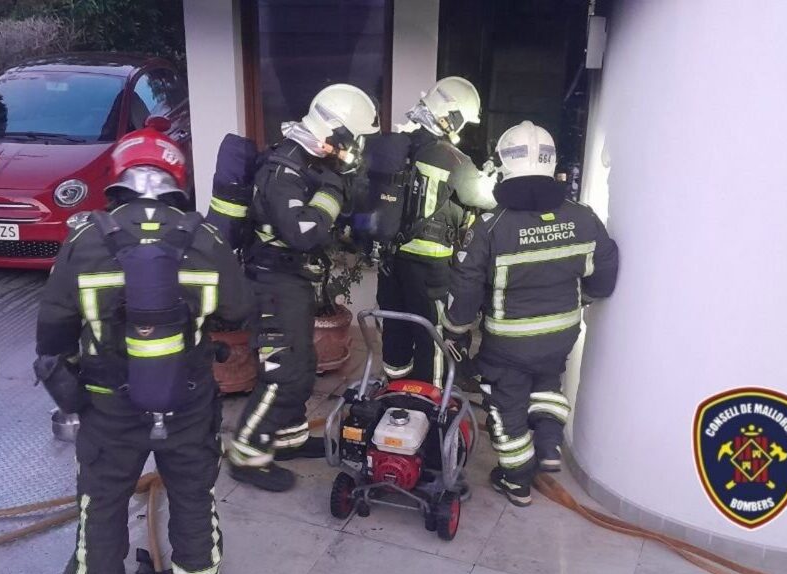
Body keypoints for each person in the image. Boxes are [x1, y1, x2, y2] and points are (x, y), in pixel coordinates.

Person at [36, 125, 252, 574]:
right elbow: (238, 310)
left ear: (119, 178)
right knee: (193, 497)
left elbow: (53, 334)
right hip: (188, 402)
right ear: (176, 179)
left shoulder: (83, 241)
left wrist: (76, 393)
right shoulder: (207, 240)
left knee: (101, 507)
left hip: (108, 406)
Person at [443, 121, 619, 506]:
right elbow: (605, 271)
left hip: (508, 343)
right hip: (561, 334)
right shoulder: (584, 217)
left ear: (505, 164)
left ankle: (517, 480)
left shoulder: (492, 227)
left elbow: (467, 285)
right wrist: (583, 297)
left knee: (506, 406)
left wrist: (455, 329)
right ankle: (550, 446)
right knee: (547, 385)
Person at [226, 84, 380, 492]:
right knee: (281, 371)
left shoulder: (309, 160)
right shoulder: (285, 170)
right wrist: (333, 190)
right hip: (273, 282)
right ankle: (246, 454)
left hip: (292, 280)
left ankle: (288, 439)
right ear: (337, 133)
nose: (353, 151)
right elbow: (304, 232)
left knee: (303, 363)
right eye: (353, 141)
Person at [378, 76, 496, 388]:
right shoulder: (450, 157)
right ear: (451, 117)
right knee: (432, 333)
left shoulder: (396, 144)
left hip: (390, 259)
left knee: (396, 328)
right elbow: (488, 198)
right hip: (429, 268)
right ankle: (427, 400)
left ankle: (394, 389)